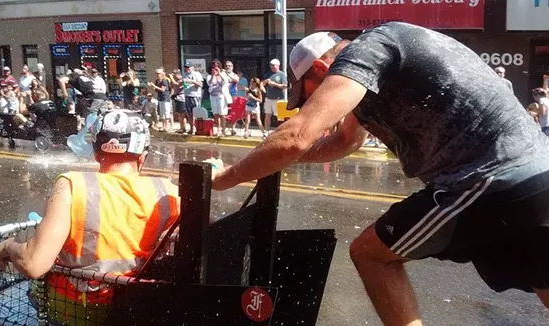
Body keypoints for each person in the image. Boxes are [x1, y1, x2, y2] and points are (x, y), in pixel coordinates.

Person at [211, 23, 549, 325]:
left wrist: (225, 177)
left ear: (320, 68)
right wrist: (279, 159)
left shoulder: (365, 52)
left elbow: (297, 137)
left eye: (309, 92)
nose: (313, 101)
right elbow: (346, 141)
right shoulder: (377, 67)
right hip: (538, 170)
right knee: (542, 275)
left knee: (371, 255)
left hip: (491, 173)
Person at [0, 109, 180, 325]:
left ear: (97, 152)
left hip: (79, 310)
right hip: (136, 308)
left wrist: (8, 246)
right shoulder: (168, 191)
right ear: (142, 155)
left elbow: (33, 264)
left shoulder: (73, 185)